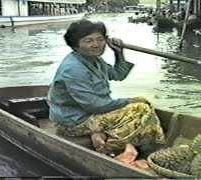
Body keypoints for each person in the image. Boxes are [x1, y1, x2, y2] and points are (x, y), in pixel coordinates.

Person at [47, 20, 165, 162]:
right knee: (140, 108)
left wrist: (119, 53)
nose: (96, 45)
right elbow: (95, 105)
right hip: (73, 122)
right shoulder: (74, 69)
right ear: (75, 45)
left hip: (90, 114)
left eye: (100, 40)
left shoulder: (95, 61)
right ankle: (110, 148)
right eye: (88, 41)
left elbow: (118, 75)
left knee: (142, 108)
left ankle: (105, 136)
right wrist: (129, 101)